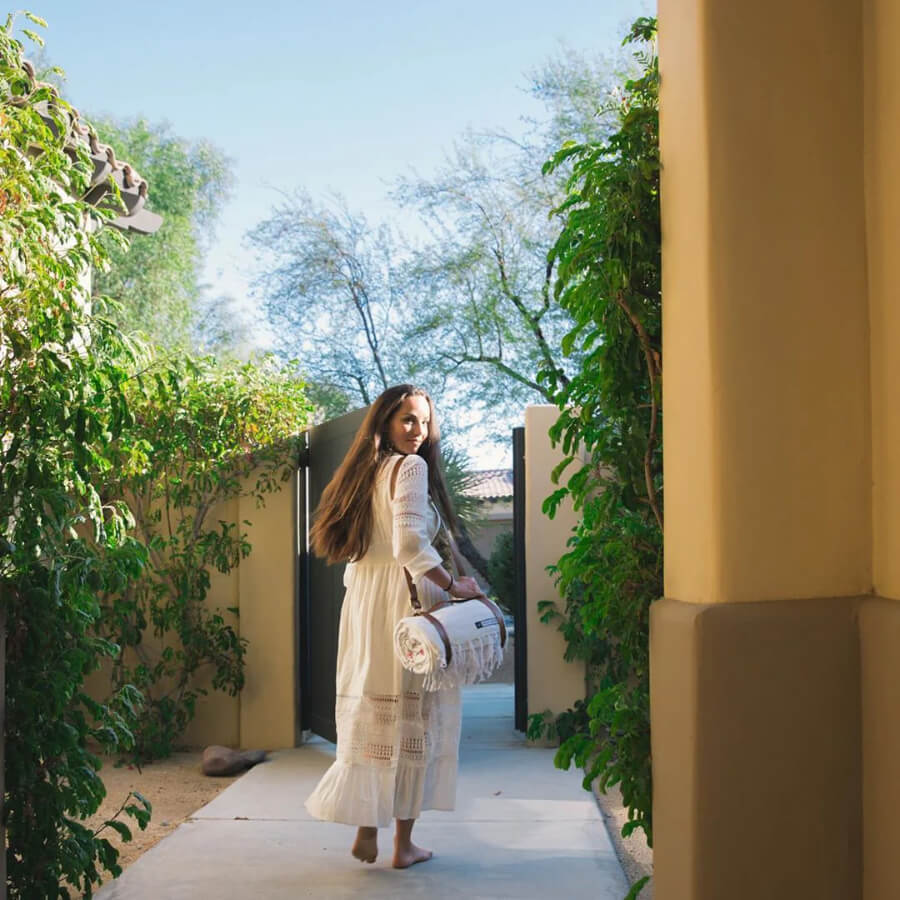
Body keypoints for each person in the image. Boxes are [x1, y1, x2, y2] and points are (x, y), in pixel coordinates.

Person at [304, 384, 482, 868]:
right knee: (415, 721)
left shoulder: (365, 473)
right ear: (384, 421)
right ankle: (402, 846)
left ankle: (367, 829)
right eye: (407, 419)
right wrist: (453, 585)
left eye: (424, 422)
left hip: (368, 603)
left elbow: (365, 555)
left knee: (378, 715)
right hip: (409, 605)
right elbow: (409, 545)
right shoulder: (412, 468)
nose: (417, 431)